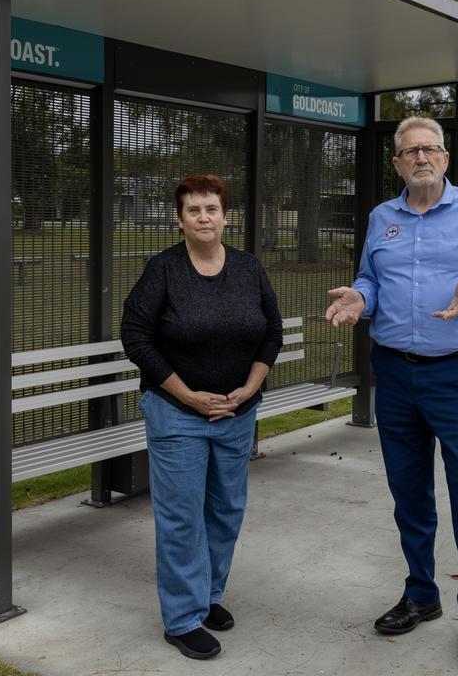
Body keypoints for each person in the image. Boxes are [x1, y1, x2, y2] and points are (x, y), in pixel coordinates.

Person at [325, 116, 458, 666]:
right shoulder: (380, 218)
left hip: (457, 373)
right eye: (409, 151)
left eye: (429, 149)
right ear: (396, 163)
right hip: (394, 372)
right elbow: (370, 278)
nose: (420, 158)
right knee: (409, 493)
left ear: (444, 158)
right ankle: (421, 595)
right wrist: (361, 299)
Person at [121, 174, 283, 660]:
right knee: (181, 517)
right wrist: (188, 396)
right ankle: (182, 618)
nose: (204, 217)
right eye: (193, 210)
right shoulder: (163, 270)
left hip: (237, 413)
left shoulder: (249, 269)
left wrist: (250, 388)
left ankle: (209, 595)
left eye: (211, 209)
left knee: (225, 509)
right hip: (177, 413)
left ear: (225, 216)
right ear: (180, 219)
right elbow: (136, 337)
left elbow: (270, 331)